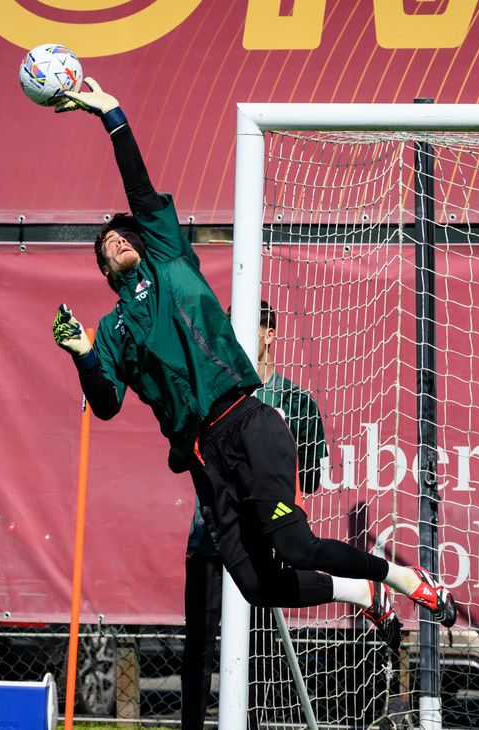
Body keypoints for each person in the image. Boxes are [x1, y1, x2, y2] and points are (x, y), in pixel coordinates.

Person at [48, 76, 457, 680]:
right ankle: (363, 597)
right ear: (103, 269)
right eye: (102, 244)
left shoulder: (167, 259)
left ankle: (402, 577)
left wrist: (111, 113)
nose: (112, 239)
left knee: (295, 547)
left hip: (247, 421)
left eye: (120, 232)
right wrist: (82, 352)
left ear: (145, 239)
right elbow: (105, 404)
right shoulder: (110, 330)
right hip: (205, 459)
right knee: (257, 585)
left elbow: (138, 188)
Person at [182, 300, 326, 730]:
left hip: (265, 540)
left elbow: (312, 476)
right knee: (199, 649)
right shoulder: (207, 395)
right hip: (209, 538)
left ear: (268, 335)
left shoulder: (294, 401)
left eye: (247, 328)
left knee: (259, 651)